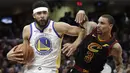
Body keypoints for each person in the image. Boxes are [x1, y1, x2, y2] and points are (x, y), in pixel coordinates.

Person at [6, 1, 85, 73]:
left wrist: (75, 44)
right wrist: (10, 56)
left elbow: (82, 31)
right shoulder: (27, 29)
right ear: (34, 15)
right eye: (39, 13)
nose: (42, 16)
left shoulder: (58, 26)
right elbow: (24, 53)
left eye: (44, 13)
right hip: (30, 69)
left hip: (50, 69)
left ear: (48, 13)